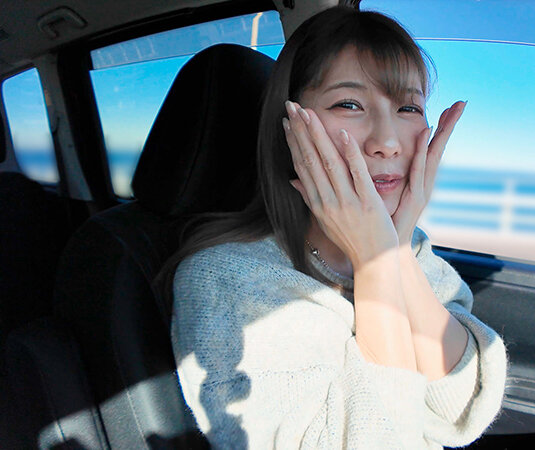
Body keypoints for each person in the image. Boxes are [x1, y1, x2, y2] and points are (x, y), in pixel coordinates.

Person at [166, 6, 507, 449]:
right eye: (349, 104)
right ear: (289, 125)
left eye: (408, 107)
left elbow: (461, 410)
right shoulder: (227, 280)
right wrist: (376, 259)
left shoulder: (412, 249)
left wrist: (396, 249)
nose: (387, 142)